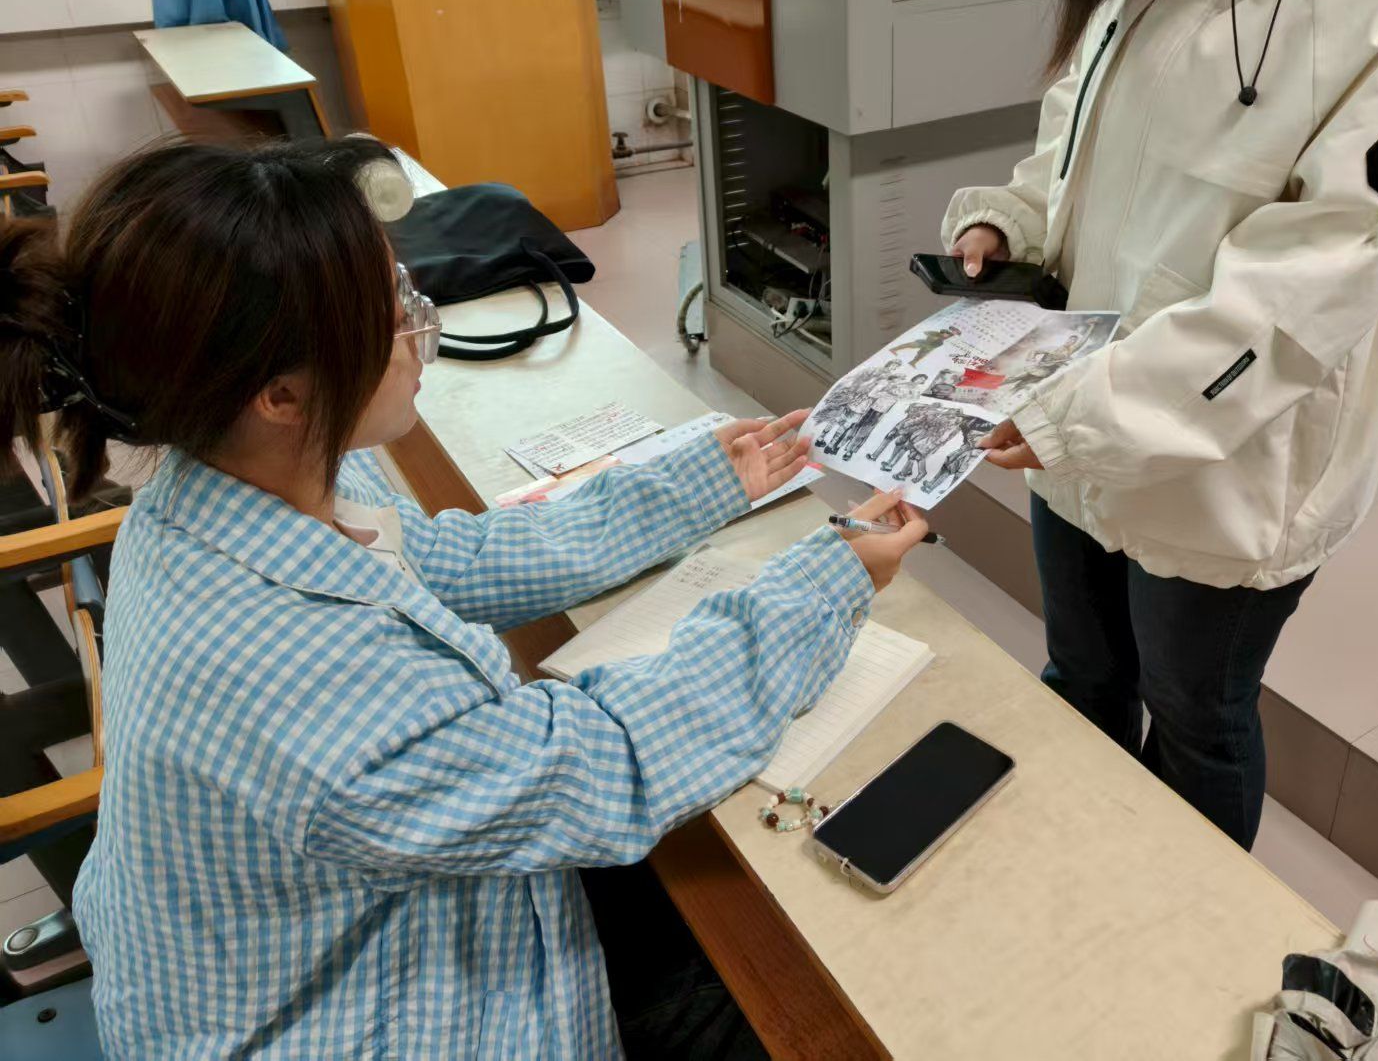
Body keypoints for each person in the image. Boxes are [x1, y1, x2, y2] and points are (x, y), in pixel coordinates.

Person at [0, 138, 929, 1059]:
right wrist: (826, 583)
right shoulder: (300, 677)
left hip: (324, 945)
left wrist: (700, 484)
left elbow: (449, 557)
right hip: (339, 1023)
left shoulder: (215, 489)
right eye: (390, 310)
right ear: (280, 394)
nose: (420, 323)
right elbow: (610, 764)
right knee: (813, 998)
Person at [943, 0, 1378, 850]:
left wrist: (1093, 415)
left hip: (1228, 460)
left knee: (1194, 712)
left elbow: (1314, 278)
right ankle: (1078, 863)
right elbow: (1076, 138)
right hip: (1075, 410)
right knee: (1084, 670)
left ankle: (1183, 921)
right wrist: (1015, 218)